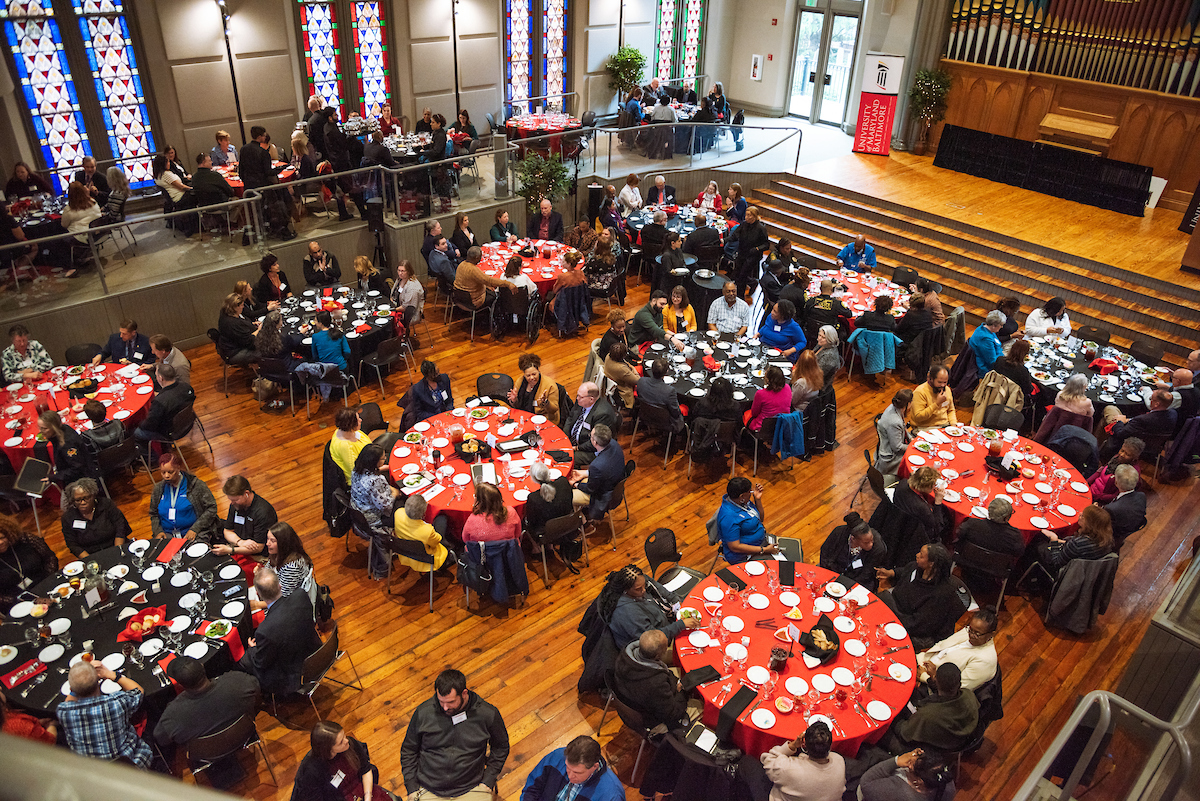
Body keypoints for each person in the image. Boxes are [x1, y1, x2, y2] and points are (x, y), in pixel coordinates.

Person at [400, 668, 510, 801]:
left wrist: (488, 780)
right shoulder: (424, 713)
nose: (445, 707)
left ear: (464, 693)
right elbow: (408, 750)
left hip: (471, 788)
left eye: (451, 702)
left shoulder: (487, 714)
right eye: (441, 701)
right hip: (428, 788)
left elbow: (501, 747)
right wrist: (412, 787)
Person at [153, 656, 261, 757]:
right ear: (203, 667)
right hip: (243, 735)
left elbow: (161, 739)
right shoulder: (237, 680)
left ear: (180, 685)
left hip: (207, 754)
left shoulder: (173, 714)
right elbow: (256, 687)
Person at [237, 568, 322, 695]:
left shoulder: (264, 630)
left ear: (258, 594)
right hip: (317, 654)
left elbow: (261, 663)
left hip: (294, 675)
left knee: (244, 660)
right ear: (280, 586)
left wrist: (253, 649)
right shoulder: (301, 595)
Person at [58, 661, 152, 768]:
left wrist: (80, 680)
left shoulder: (64, 713)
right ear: (98, 684)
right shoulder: (115, 703)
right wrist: (111, 675)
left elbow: (68, 701)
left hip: (98, 775)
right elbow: (139, 692)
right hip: (131, 766)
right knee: (149, 718)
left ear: (71, 690)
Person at [876, 543, 960, 650]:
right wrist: (891, 573)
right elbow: (904, 571)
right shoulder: (915, 567)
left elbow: (918, 625)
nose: (917, 555)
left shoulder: (941, 594)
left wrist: (892, 615)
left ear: (931, 564)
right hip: (897, 609)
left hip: (912, 628)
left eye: (921, 555)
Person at [613, 630, 694, 732]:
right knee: (700, 707)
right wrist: (682, 691)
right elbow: (673, 714)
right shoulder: (655, 684)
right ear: (657, 656)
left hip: (632, 698)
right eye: (666, 648)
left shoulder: (625, 655)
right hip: (652, 721)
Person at [888, 663, 979, 753]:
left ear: (936, 680)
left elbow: (903, 733)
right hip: (959, 738)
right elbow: (946, 693)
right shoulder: (969, 695)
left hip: (934, 750)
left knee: (884, 733)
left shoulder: (928, 715)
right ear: (959, 683)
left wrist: (893, 710)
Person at [597, 564, 695, 648]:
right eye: (638, 589)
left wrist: (675, 601)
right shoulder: (628, 612)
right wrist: (680, 625)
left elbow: (658, 587)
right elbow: (652, 639)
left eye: (644, 585)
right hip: (652, 647)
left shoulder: (638, 581)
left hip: (665, 623)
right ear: (625, 590)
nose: (644, 590)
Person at [755, 721, 845, 801]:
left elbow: (767, 758)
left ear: (804, 744)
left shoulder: (788, 769)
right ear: (830, 745)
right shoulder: (839, 760)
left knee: (746, 762)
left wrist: (792, 745)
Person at [915, 610, 998, 692]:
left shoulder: (985, 661)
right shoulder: (969, 631)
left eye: (977, 634)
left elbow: (954, 691)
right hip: (923, 661)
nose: (971, 635)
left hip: (933, 688)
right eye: (970, 629)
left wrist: (929, 677)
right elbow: (941, 645)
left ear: (991, 634)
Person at [521, 735, 624, 801]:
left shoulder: (612, 795)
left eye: (577, 772)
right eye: (567, 767)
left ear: (594, 767)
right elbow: (531, 789)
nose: (570, 776)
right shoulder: (557, 757)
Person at [352, 444, 401, 580]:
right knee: (404, 507)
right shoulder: (375, 481)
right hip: (374, 520)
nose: (385, 460)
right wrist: (395, 493)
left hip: (359, 513)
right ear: (374, 461)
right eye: (383, 458)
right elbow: (386, 507)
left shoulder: (356, 470)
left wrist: (387, 488)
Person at [149, 454, 218, 541]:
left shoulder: (196, 485)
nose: (166, 476)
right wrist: (158, 531)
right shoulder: (158, 489)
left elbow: (211, 508)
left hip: (193, 533)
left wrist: (195, 529)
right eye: (163, 472)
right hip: (167, 535)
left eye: (170, 472)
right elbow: (153, 513)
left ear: (178, 468)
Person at [211, 474, 277, 561]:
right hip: (239, 544)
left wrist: (230, 550)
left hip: (257, 554)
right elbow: (227, 530)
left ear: (246, 494)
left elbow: (259, 547)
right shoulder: (236, 505)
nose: (232, 503)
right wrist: (240, 542)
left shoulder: (263, 513)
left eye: (235, 500)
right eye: (231, 500)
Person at [1098, 389, 1177, 462]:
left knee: (1109, 409)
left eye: (1151, 399)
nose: (1150, 401)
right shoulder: (1173, 414)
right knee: (1105, 419)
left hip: (1129, 443)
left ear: (1157, 404)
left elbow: (1120, 433)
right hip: (1153, 447)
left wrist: (1120, 421)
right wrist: (1129, 420)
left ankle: (1096, 449)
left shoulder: (1142, 420)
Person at [61, 478, 131, 558]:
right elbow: (72, 544)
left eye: (86, 498)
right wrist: (91, 561)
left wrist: (117, 551)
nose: (83, 502)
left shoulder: (106, 505)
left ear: (93, 496)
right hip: (92, 554)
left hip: (115, 546)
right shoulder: (68, 517)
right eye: (78, 500)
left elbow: (120, 528)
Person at [0, 516, 57, 615]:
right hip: (17, 604)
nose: (0, 542)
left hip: (46, 586)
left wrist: (48, 582)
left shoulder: (26, 539)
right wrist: (29, 601)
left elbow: (49, 558)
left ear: (8, 533)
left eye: (2, 537)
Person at [132, 362, 195, 452]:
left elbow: (150, 425)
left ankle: (152, 457)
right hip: (188, 422)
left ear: (160, 378)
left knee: (135, 432)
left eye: (156, 375)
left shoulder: (160, 402)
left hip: (170, 432)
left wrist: (138, 424)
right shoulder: (187, 387)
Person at [818, 511, 888, 592]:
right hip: (834, 572)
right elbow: (825, 554)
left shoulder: (878, 548)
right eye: (866, 542)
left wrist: (845, 586)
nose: (871, 545)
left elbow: (866, 574)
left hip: (859, 580)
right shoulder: (838, 533)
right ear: (853, 538)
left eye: (871, 540)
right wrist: (829, 575)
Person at [716, 477, 777, 563]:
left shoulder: (742, 502)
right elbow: (735, 547)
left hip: (759, 543)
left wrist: (757, 499)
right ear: (742, 496)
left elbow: (760, 519)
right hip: (743, 556)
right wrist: (764, 549)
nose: (751, 493)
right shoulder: (729, 517)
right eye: (749, 491)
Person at [569, 424, 625, 518]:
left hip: (602, 496)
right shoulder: (614, 444)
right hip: (614, 485)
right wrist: (585, 473)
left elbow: (590, 489)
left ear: (594, 442)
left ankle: (583, 522)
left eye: (590, 436)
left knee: (568, 495)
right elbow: (606, 471)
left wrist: (575, 484)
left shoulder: (596, 466)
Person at [1038, 504, 1114, 572]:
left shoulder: (1077, 543)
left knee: (1038, 541)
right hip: (1087, 571)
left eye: (1083, 516)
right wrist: (1060, 541)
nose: (1080, 514)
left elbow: (1056, 563)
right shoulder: (1107, 540)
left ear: (1089, 524)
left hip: (1065, 573)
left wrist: (1054, 539)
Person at [858, 749, 955, 801]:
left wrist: (896, 761)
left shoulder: (898, 792)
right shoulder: (945, 781)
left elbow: (866, 783)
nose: (910, 760)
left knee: (866, 753)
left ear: (918, 782)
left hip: (868, 791)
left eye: (911, 765)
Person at [562, 383, 620, 467]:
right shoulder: (581, 401)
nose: (577, 398)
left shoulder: (602, 414)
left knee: (567, 458)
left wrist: (577, 448)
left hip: (589, 449)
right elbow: (571, 418)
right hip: (574, 441)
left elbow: (596, 442)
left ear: (591, 399)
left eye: (580, 397)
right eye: (577, 395)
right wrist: (565, 438)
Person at [393, 494, 451, 572]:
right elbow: (437, 540)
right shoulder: (427, 531)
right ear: (424, 513)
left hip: (406, 554)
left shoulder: (398, 513)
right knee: (441, 520)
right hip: (427, 560)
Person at [260, 522, 315, 604]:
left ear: (283, 543)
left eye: (272, 541)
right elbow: (269, 567)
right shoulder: (278, 554)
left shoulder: (292, 567)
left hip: (289, 603)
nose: (267, 543)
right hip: (275, 590)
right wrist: (261, 573)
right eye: (267, 539)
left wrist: (258, 604)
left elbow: (283, 598)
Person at [36, 409, 91, 487]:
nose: (41, 431)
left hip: (81, 481)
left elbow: (77, 468)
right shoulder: (64, 428)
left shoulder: (67, 444)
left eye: (44, 428)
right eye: (40, 428)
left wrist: (55, 477)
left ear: (54, 428)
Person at [955, 497, 1023, 557]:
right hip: (996, 569)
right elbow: (1018, 553)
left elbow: (959, 534)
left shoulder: (972, 523)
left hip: (967, 560)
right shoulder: (1014, 536)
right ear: (1007, 517)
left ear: (989, 512)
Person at [728, 206, 770, 298]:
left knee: (742, 277)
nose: (746, 217)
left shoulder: (760, 228)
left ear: (754, 216)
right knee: (737, 274)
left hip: (752, 256)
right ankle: (752, 282)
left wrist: (757, 249)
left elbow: (766, 244)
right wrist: (724, 240)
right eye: (746, 215)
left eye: (748, 215)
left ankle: (740, 297)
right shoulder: (744, 224)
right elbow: (735, 236)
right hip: (742, 253)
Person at [507, 353, 560, 423]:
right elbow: (517, 406)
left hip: (543, 420)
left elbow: (554, 410)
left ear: (538, 371)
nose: (532, 378)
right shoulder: (520, 381)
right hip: (523, 418)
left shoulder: (550, 385)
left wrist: (546, 402)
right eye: (528, 375)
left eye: (534, 374)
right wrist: (514, 400)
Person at [1088, 437, 1144, 504]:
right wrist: (1086, 482)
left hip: (1100, 501)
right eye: (1122, 450)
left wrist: (1098, 496)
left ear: (1135, 457)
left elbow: (1118, 496)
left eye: (1127, 454)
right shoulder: (1116, 458)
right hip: (1091, 490)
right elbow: (1100, 471)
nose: (1122, 455)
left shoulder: (1130, 473)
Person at [637, 358, 685, 434]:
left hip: (645, 415)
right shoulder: (669, 391)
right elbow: (675, 413)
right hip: (665, 423)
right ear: (666, 372)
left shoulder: (641, 381)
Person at [1105, 464, 1147, 550]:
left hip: (1113, 538)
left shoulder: (1112, 508)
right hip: (1130, 531)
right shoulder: (1142, 496)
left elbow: (1103, 528)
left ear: (1116, 483)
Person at [328, 407, 372, 485]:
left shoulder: (347, 431)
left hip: (369, 461)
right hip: (362, 479)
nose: (361, 420)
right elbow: (356, 471)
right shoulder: (345, 447)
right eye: (358, 420)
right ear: (351, 424)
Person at [876, 389, 914, 477]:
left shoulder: (893, 408)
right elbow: (897, 447)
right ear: (908, 404)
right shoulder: (895, 422)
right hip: (891, 459)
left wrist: (911, 439)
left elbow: (903, 427)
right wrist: (913, 447)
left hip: (890, 448)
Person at [216, 292, 259, 367]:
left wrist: (251, 324)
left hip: (230, 347)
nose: (243, 307)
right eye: (242, 305)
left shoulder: (225, 313)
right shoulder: (233, 323)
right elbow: (250, 343)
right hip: (234, 353)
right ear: (235, 307)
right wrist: (259, 330)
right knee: (265, 350)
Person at [910, 365, 957, 430]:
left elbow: (951, 410)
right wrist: (937, 404)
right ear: (930, 378)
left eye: (945, 382)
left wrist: (953, 425)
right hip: (925, 427)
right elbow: (918, 417)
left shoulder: (947, 389)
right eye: (939, 382)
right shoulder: (920, 392)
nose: (942, 385)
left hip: (945, 425)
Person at [748, 365, 792, 432]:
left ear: (768, 380)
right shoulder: (787, 388)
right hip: (783, 425)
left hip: (764, 428)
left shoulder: (760, 394)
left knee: (745, 415)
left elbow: (754, 413)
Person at [392, 259, 426, 336]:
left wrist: (391, 310)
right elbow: (393, 294)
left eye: (403, 271)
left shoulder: (412, 287)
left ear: (409, 271)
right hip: (398, 307)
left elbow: (406, 308)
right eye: (399, 270)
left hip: (409, 315)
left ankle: (398, 338)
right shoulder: (399, 279)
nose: (400, 273)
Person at [310, 310, 350, 375]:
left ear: (321, 323)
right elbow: (347, 352)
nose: (314, 322)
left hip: (325, 371)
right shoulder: (339, 333)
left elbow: (315, 356)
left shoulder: (315, 337)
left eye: (316, 321)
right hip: (341, 369)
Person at [603, 340, 640, 409]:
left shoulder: (609, 356)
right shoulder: (621, 369)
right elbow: (637, 380)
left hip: (613, 380)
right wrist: (635, 370)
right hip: (623, 390)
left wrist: (631, 367)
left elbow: (625, 363)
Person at [969, 311, 1007, 377]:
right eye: (1001, 325)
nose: (1002, 327)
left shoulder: (984, 328)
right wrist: (1004, 359)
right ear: (994, 325)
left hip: (994, 358)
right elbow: (992, 362)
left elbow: (998, 346)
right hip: (984, 369)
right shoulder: (985, 338)